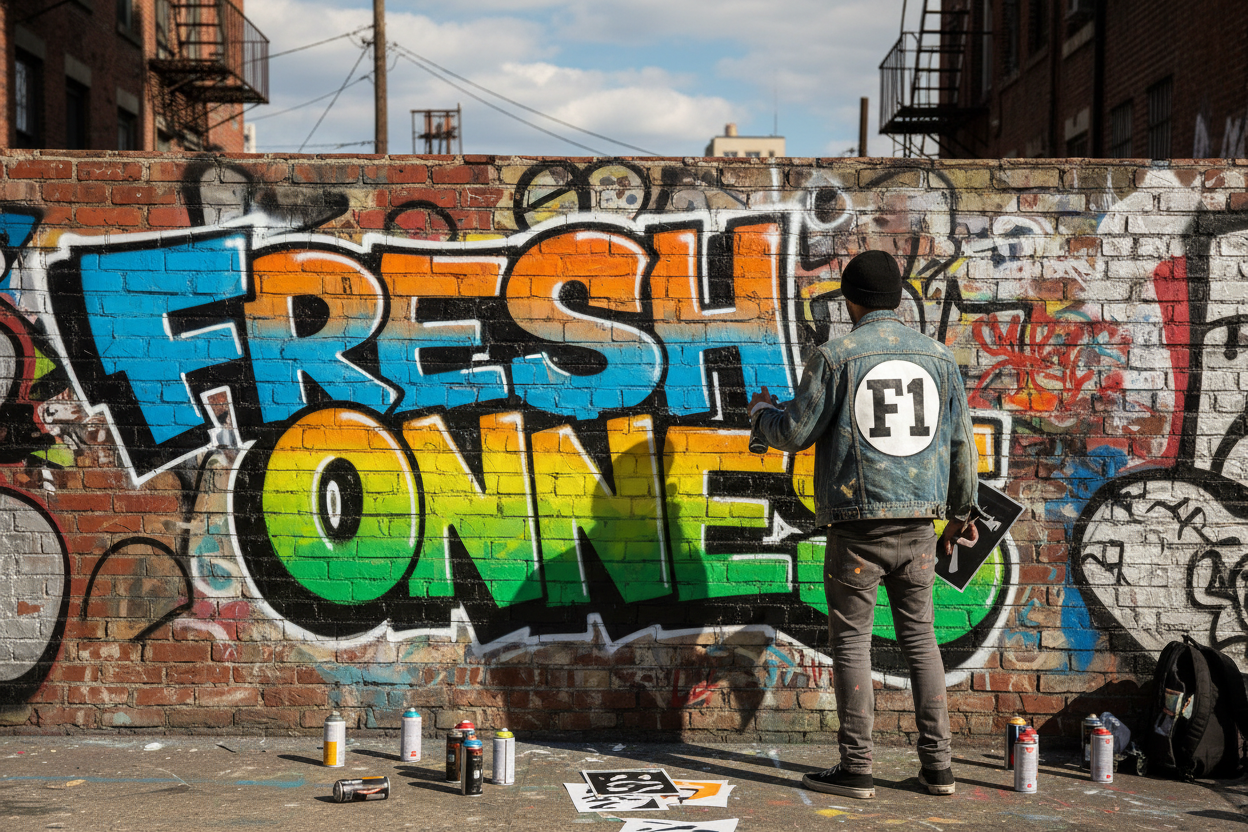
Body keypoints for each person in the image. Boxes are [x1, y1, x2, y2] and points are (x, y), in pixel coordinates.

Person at [749, 249, 980, 799]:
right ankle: (939, 768)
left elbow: (797, 432)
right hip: (921, 527)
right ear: (898, 298)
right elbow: (961, 449)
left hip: (857, 528)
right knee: (921, 641)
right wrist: (961, 515)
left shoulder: (835, 356)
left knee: (851, 644)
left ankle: (857, 768)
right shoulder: (939, 359)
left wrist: (761, 416)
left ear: (850, 300)